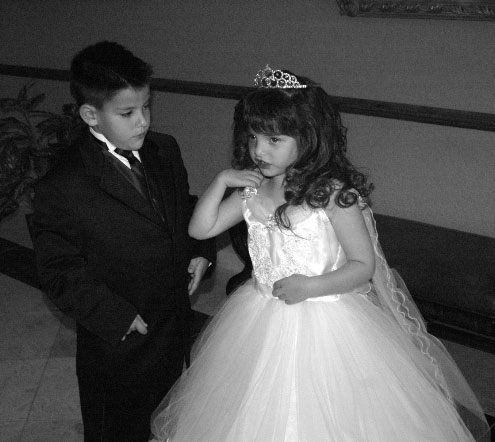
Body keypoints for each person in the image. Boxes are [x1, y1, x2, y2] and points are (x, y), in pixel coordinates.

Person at [150, 65, 491, 442]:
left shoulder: (331, 194)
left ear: (308, 137)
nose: (259, 150)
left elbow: (363, 266)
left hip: (325, 318)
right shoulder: (253, 188)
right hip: (259, 312)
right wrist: (220, 182)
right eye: (253, 137)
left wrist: (310, 286)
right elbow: (200, 229)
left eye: (274, 139)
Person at [31, 41, 215, 442]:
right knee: (117, 427)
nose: (143, 122)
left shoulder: (165, 149)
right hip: (119, 341)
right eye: (128, 113)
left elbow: (183, 207)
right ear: (90, 114)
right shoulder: (62, 185)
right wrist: (114, 316)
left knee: (165, 414)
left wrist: (201, 252)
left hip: (172, 322)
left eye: (147, 107)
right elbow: (58, 270)